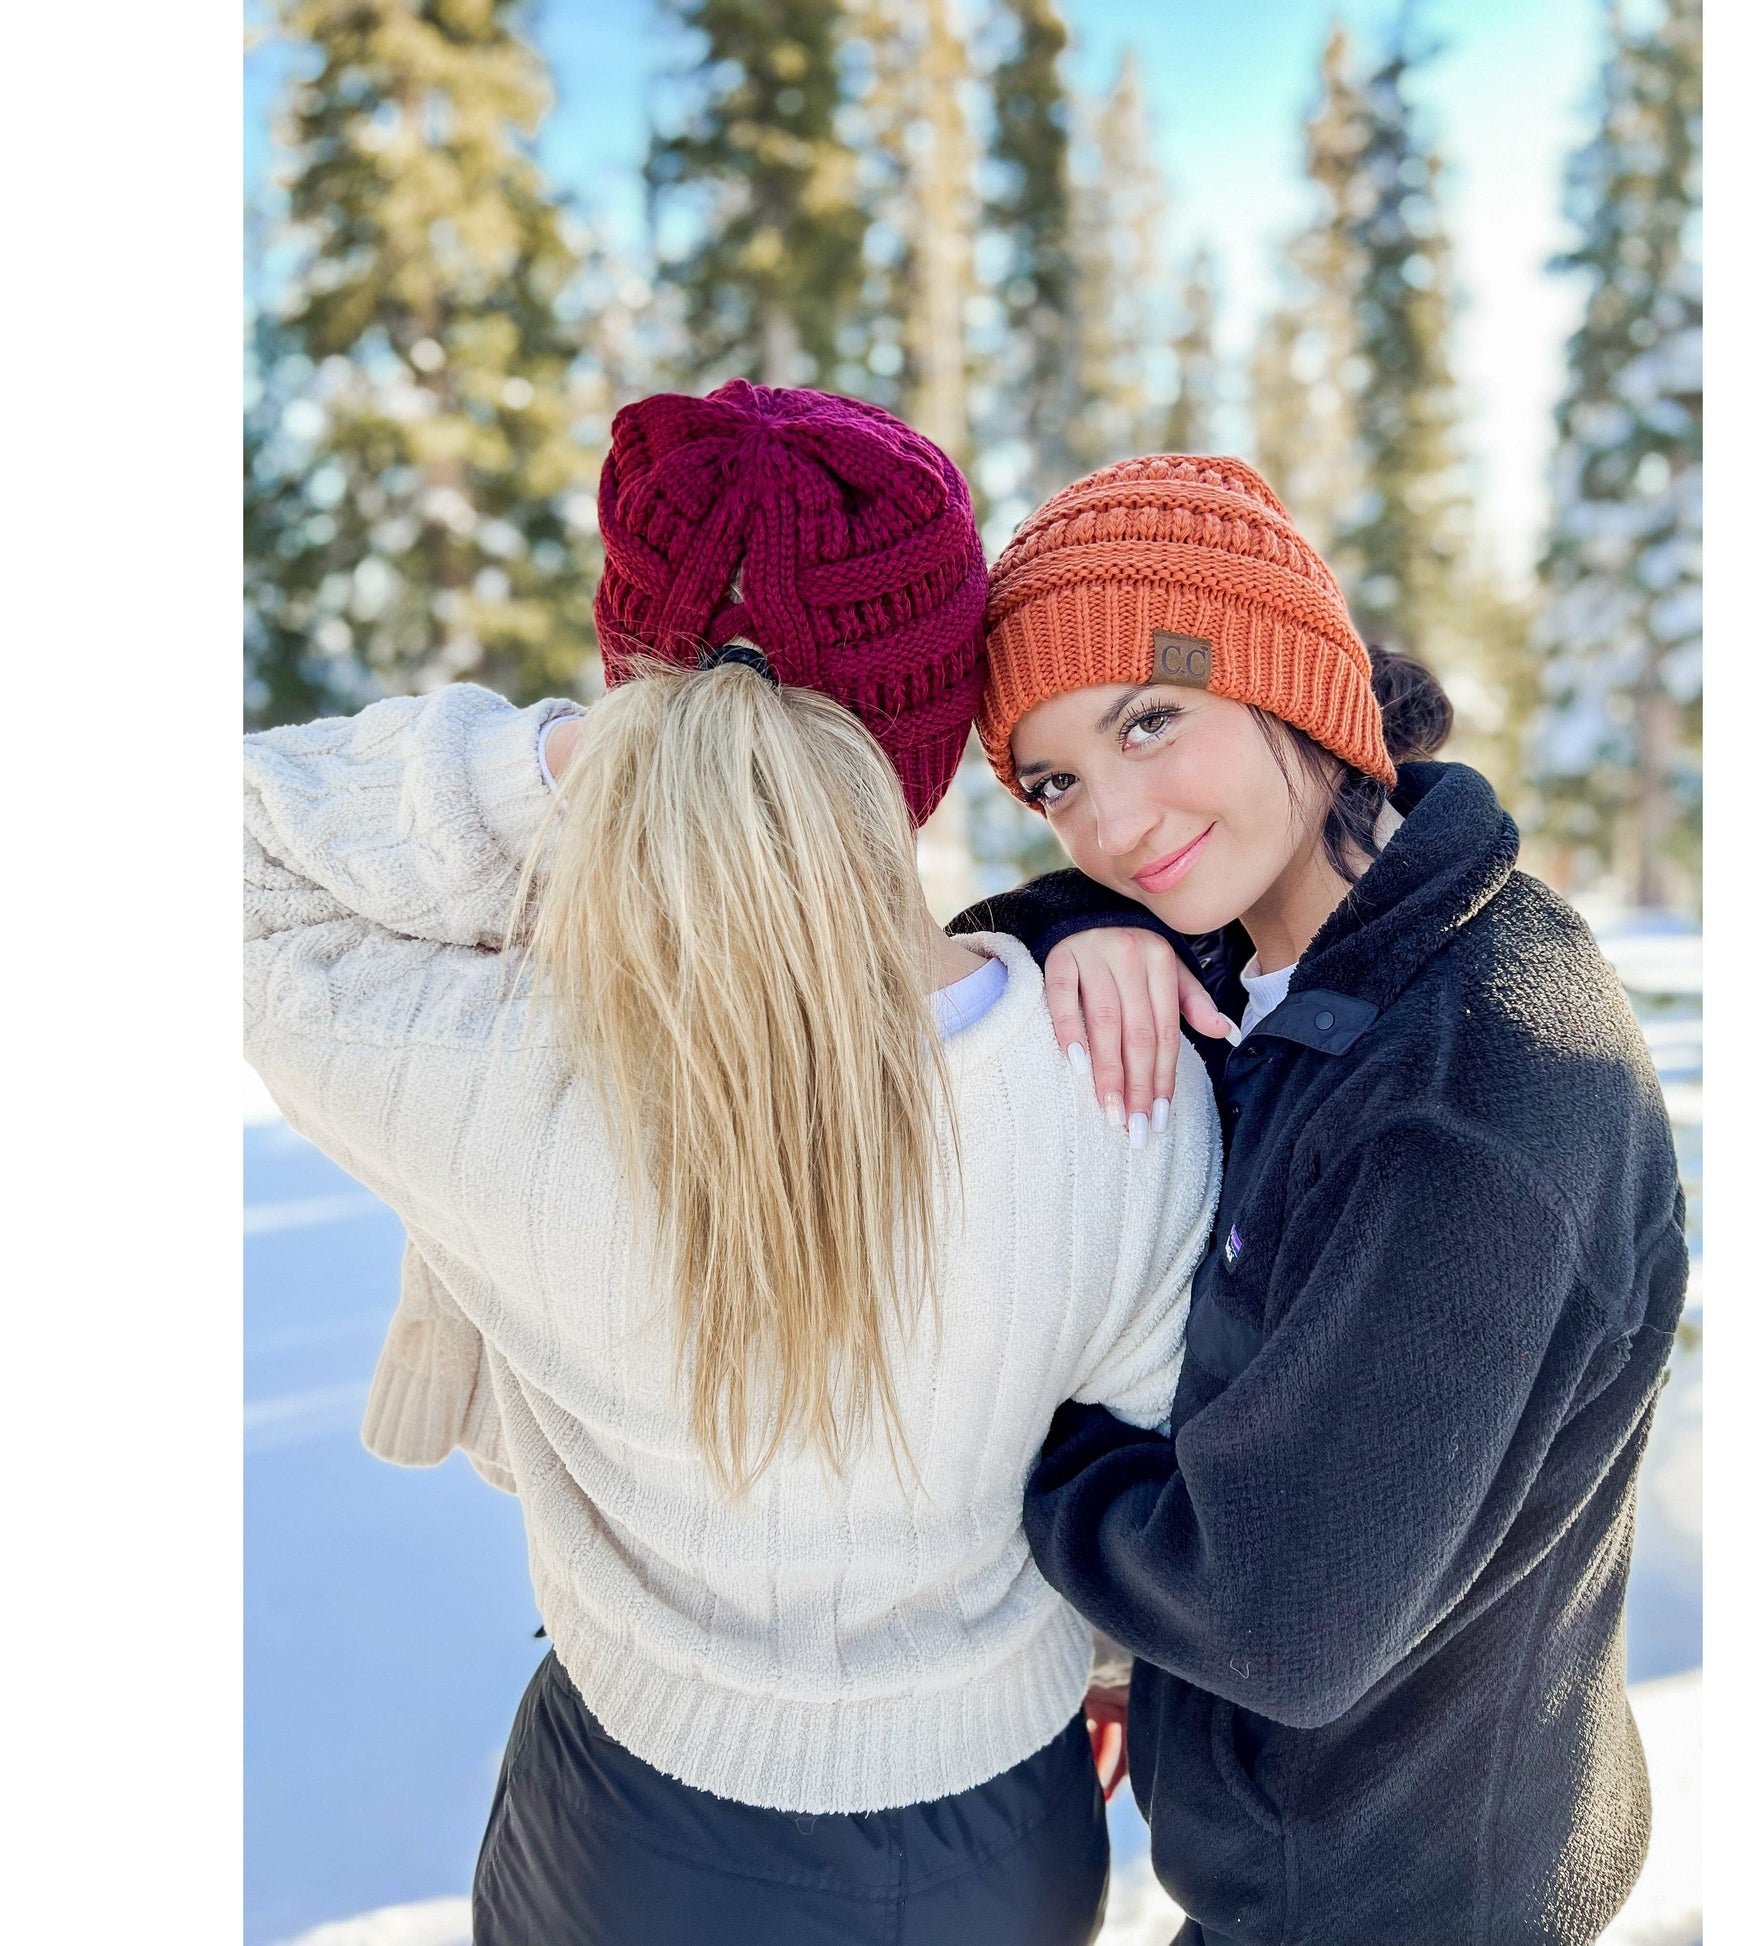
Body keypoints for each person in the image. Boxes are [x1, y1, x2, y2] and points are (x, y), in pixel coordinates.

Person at [242, 384, 1221, 1946]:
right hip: (1011, 1834)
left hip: (641, 1843)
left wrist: (557, 769)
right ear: (929, 722)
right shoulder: (1115, 1073)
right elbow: (1177, 1448)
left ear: (631, 674)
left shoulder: (494, 1061)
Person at [952, 453, 1689, 1946]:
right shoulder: (1283, 959)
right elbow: (1079, 892)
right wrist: (1071, 925)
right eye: (1056, 783)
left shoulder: (1473, 1082)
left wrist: (1001, 1444)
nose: (1110, 822)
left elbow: (1272, 1614)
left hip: (1401, 1908)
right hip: (1291, 1876)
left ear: (1286, 682)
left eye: (1151, 715)